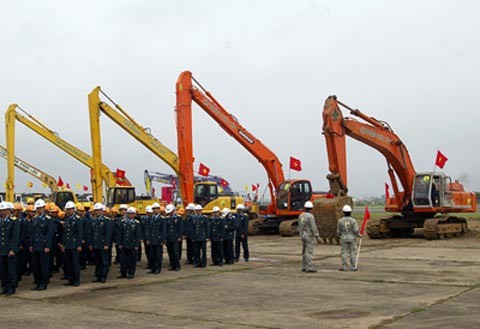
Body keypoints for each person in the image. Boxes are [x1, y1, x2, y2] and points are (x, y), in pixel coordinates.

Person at [29, 199, 53, 290]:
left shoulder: (48, 220)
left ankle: (43, 283)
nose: (39, 210)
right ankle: (37, 282)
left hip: (43, 246)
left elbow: (49, 234)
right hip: (35, 245)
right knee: (35, 266)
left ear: (44, 208)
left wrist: (47, 246)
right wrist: (31, 244)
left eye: (40, 208)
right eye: (37, 208)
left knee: (44, 265)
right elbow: (32, 232)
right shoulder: (34, 219)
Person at [88, 203, 113, 283]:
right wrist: (91, 244)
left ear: (102, 211)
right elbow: (91, 233)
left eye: (98, 210)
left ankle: (103, 276)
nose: (97, 212)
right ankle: (97, 275)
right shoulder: (93, 220)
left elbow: (108, 233)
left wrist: (107, 244)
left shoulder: (106, 220)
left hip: (103, 244)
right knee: (97, 261)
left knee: (104, 261)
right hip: (96, 244)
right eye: (95, 211)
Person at [0, 202, 20, 295]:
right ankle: (4, 286)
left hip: (9, 249)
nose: (2, 212)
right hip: (2, 249)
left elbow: (15, 236)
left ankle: (11, 287)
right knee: (3, 270)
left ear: (8, 211)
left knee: (11, 269)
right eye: (1, 210)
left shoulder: (14, 221)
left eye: (4, 210)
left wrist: (13, 249)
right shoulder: (1, 221)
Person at [61, 201, 82, 286]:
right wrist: (63, 244)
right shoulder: (67, 219)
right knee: (68, 263)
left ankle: (76, 280)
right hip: (68, 245)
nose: (69, 211)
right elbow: (65, 233)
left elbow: (79, 233)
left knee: (75, 263)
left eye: (70, 209)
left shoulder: (78, 219)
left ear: (74, 209)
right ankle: (70, 279)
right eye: (67, 209)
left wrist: (79, 245)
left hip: (74, 244)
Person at [298, 201, 321, 273]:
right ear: (311, 208)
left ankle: (304, 266)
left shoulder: (301, 216)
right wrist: (317, 236)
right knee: (309, 252)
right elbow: (313, 227)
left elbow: (299, 227)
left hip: (303, 235)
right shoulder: (310, 216)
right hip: (309, 236)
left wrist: (301, 235)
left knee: (304, 252)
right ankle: (309, 267)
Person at [118, 207, 141, 279]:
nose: (130, 215)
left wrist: (137, 245)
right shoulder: (123, 222)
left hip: (132, 244)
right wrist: (120, 243)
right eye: (129, 214)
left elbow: (137, 235)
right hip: (124, 243)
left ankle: (131, 273)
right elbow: (120, 234)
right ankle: (123, 273)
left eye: (132, 214)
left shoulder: (137, 223)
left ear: (134, 215)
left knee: (132, 260)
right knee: (123, 260)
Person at [337, 204, 361, 271]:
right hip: (352, 238)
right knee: (353, 253)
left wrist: (339, 236)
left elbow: (338, 231)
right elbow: (356, 230)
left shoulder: (340, 221)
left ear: (343, 212)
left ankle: (344, 267)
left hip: (343, 238)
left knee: (344, 253)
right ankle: (353, 267)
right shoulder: (353, 221)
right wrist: (358, 235)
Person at [146, 203, 166, 274]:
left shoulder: (162, 219)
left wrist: (162, 240)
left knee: (158, 255)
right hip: (152, 239)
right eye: (153, 209)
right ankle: (153, 268)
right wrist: (148, 239)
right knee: (151, 255)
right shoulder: (151, 218)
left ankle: (158, 268)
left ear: (159, 209)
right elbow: (149, 229)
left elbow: (163, 230)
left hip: (158, 240)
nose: (155, 210)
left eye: (156, 209)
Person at [165, 204, 182, 271]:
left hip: (175, 237)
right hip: (169, 238)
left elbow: (180, 228)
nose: (169, 213)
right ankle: (172, 265)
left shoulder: (178, 218)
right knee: (170, 252)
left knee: (175, 252)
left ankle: (177, 265)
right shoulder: (167, 218)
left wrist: (179, 236)